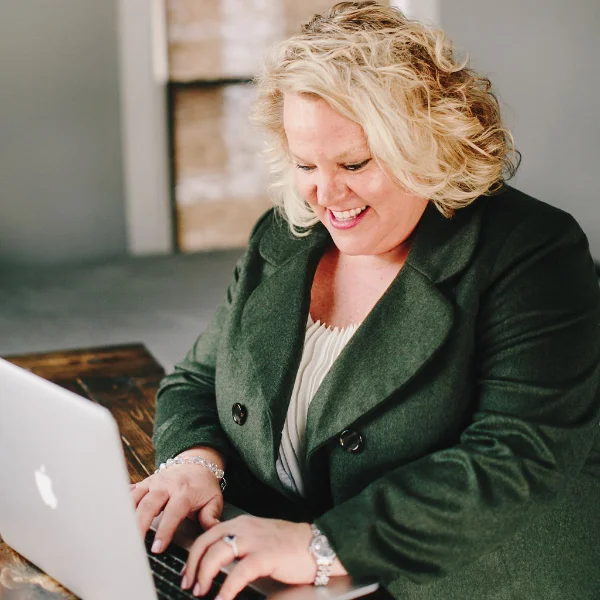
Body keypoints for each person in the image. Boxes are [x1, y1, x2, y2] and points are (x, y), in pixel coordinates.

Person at [131, 2, 600, 599]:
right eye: (306, 164)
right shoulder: (285, 235)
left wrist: (322, 548)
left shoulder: (533, 253)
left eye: (354, 163)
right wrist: (196, 463)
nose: (326, 195)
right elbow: (198, 380)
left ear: (428, 145)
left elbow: (514, 460)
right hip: (282, 574)